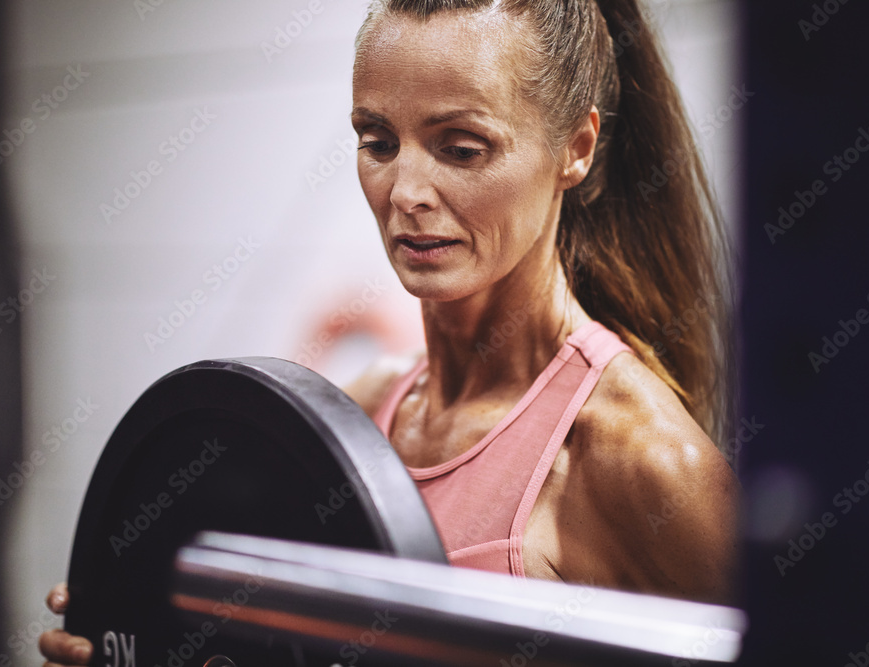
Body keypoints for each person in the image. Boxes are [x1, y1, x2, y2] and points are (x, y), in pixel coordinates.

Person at [40, 0, 739, 663]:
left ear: (575, 148)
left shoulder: (639, 456)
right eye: (377, 141)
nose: (405, 192)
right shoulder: (357, 414)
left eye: (460, 149)